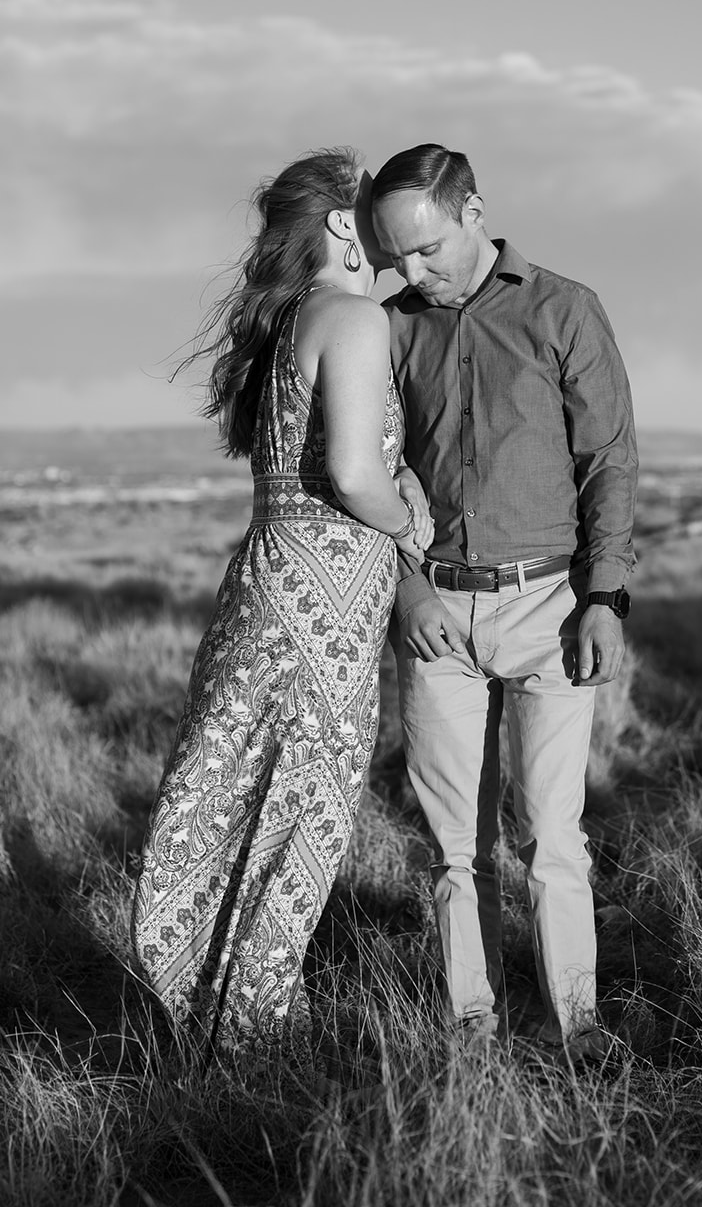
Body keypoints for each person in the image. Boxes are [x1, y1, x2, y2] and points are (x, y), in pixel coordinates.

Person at [131, 147, 432, 1066]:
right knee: (300, 810)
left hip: (268, 586)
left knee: (239, 798)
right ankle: (250, 1039)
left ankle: (213, 1016)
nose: (388, 229)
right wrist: (411, 518)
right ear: (344, 225)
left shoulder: (291, 320)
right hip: (322, 612)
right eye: (374, 210)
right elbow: (350, 472)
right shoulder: (350, 317)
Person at [370, 144, 637, 1065]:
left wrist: (603, 597)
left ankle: (579, 1028)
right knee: (455, 849)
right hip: (436, 614)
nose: (412, 272)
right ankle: (471, 1032)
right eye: (394, 256)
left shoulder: (565, 308)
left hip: (551, 610)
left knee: (552, 838)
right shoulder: (391, 327)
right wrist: (404, 586)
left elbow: (608, 462)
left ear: (474, 211)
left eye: (427, 249)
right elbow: (363, 474)